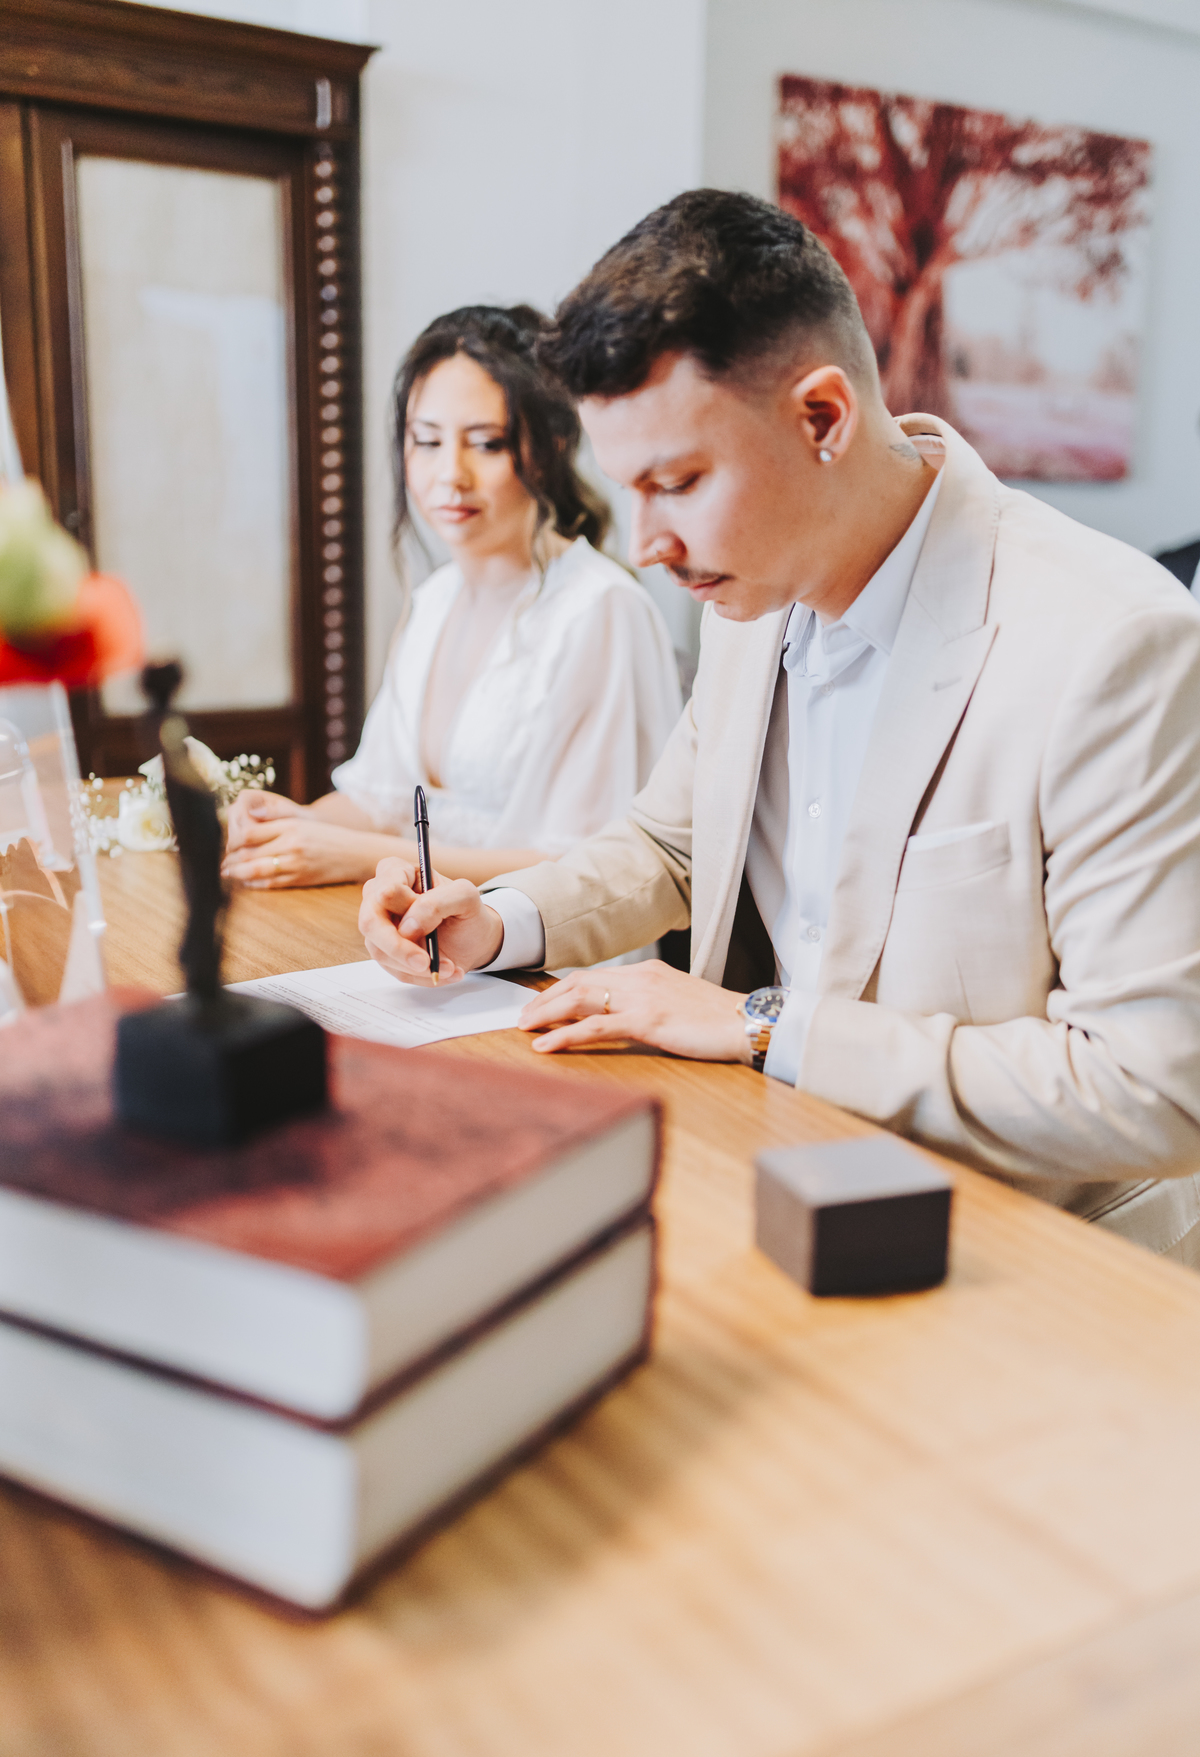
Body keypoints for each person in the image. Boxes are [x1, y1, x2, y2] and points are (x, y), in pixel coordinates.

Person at [359, 191, 1200, 1264]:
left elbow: (1154, 1088)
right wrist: (497, 922)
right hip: (763, 1180)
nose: (649, 544)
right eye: (631, 492)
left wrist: (766, 1024)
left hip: (1024, 1255)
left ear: (823, 419)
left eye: (679, 484)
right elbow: (673, 842)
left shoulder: (1114, 644)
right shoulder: (751, 593)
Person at [222, 304, 681, 890]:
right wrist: (291, 824)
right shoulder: (435, 601)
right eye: (427, 441)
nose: (450, 475)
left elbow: (592, 866)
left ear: (553, 444)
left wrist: (361, 856)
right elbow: (378, 799)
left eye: (486, 444)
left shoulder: (600, 610)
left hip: (550, 964)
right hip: (430, 944)